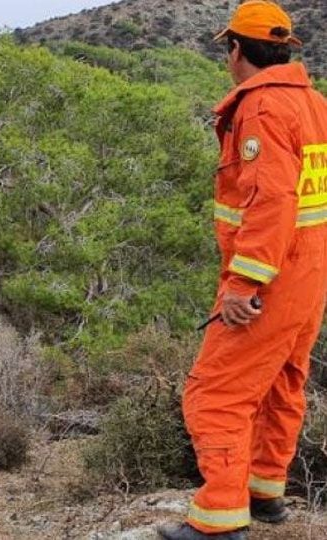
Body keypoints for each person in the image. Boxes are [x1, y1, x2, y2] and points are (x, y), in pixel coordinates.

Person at [159, 3, 327, 540]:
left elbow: (271, 202)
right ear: (282, 50)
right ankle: (264, 490)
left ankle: (219, 520)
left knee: (215, 393)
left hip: (271, 278)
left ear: (235, 49)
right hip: (310, 274)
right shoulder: (316, 105)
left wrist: (244, 283)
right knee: (282, 382)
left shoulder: (262, 111)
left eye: (226, 48)